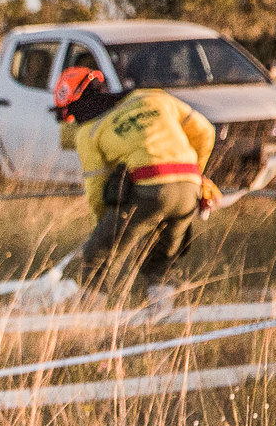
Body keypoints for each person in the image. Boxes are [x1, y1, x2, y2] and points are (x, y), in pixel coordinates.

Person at [54, 65, 217, 300]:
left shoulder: (89, 132)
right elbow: (205, 132)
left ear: (74, 107)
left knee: (97, 253)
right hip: (189, 188)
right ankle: (162, 314)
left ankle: (91, 318)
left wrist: (104, 230)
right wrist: (196, 177)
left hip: (150, 189)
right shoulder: (153, 97)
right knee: (161, 257)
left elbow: (96, 189)